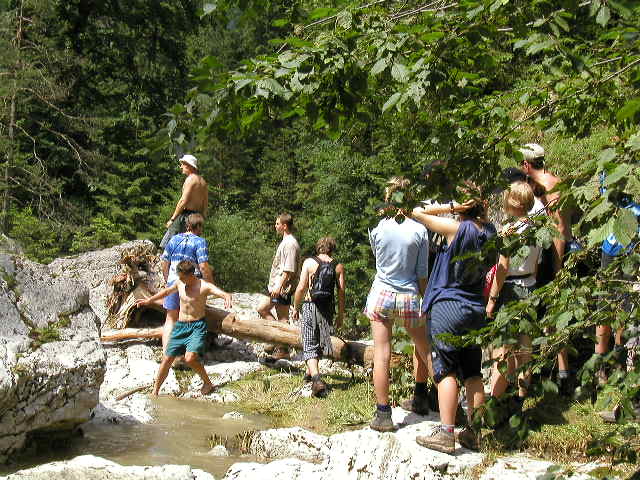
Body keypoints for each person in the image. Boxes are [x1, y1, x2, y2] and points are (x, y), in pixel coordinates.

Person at [411, 194, 497, 454]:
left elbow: (417, 212)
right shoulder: (491, 233)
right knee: (472, 372)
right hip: (475, 308)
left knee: (445, 370)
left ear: (463, 207)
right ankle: (474, 432)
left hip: (447, 306)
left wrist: (451, 206)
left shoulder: (456, 229)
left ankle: (446, 433)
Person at [364, 177, 431, 432]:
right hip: (409, 296)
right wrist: (426, 300)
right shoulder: (419, 231)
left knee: (382, 353)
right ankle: (444, 402)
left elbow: (378, 262)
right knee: (425, 349)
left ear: (388, 198)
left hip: (381, 293)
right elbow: (422, 273)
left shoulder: (377, 229)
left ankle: (383, 414)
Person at [520, 143, 574, 393]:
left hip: (554, 256)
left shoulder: (550, 186)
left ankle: (563, 375)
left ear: (526, 164)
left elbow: (560, 229)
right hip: (547, 255)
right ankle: (549, 372)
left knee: (553, 315)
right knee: (546, 316)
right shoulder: (549, 182)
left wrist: (557, 267)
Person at [135, 260, 232, 396]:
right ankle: (155, 392)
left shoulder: (204, 286)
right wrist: (149, 300)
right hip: (180, 326)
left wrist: (227, 297)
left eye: (182, 277)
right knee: (167, 359)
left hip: (197, 327)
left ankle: (207, 383)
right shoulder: (180, 283)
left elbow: (222, 293)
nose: (180, 279)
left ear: (191, 275)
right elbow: (167, 291)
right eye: (179, 276)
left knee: (190, 358)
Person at [487, 182, 541, 409]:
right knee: (525, 348)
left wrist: (492, 299)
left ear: (513, 203)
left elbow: (502, 268)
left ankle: (494, 402)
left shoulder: (510, 231)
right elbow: (536, 266)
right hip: (531, 287)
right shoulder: (537, 229)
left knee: (502, 349)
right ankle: (520, 399)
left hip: (510, 289)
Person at [292, 237, 346, 397]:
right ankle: (309, 373)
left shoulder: (309, 262)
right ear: (332, 249)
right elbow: (341, 293)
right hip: (327, 309)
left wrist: (296, 307)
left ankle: (316, 379)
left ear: (318, 248)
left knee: (309, 342)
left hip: (310, 305)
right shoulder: (338, 266)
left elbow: (301, 287)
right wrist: (340, 315)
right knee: (320, 341)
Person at [159, 213, 213, 352]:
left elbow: (164, 262)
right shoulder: (200, 242)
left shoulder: (174, 239)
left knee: (170, 318)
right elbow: (203, 267)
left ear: (187, 225)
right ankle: (188, 353)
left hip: (173, 280)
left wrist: (168, 280)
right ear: (198, 226)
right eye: (201, 227)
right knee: (192, 318)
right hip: (191, 284)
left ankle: (167, 354)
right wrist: (210, 285)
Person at [257, 213, 301, 359]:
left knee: (281, 318)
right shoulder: (286, 242)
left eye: (277, 224)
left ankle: (282, 348)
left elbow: (288, 269)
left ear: (284, 226)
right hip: (277, 286)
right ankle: (278, 341)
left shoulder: (290, 244)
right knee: (263, 309)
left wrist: (278, 287)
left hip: (282, 288)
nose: (275, 226)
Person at [160, 154, 208, 249]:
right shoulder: (203, 182)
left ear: (189, 165)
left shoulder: (190, 179)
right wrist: (201, 220)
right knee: (189, 247)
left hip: (186, 217)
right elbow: (205, 204)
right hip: (197, 218)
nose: (181, 167)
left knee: (167, 245)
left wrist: (172, 219)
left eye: (183, 164)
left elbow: (183, 201)